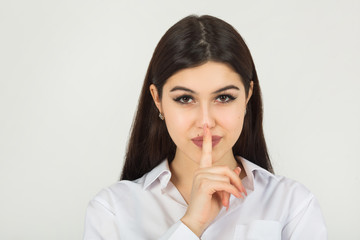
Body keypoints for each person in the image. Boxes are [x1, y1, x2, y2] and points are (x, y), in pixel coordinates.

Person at [83, 15, 327, 239]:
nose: (206, 121)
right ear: (158, 100)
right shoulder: (112, 210)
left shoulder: (292, 205)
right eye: (185, 99)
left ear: (248, 96)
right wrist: (191, 225)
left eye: (224, 98)